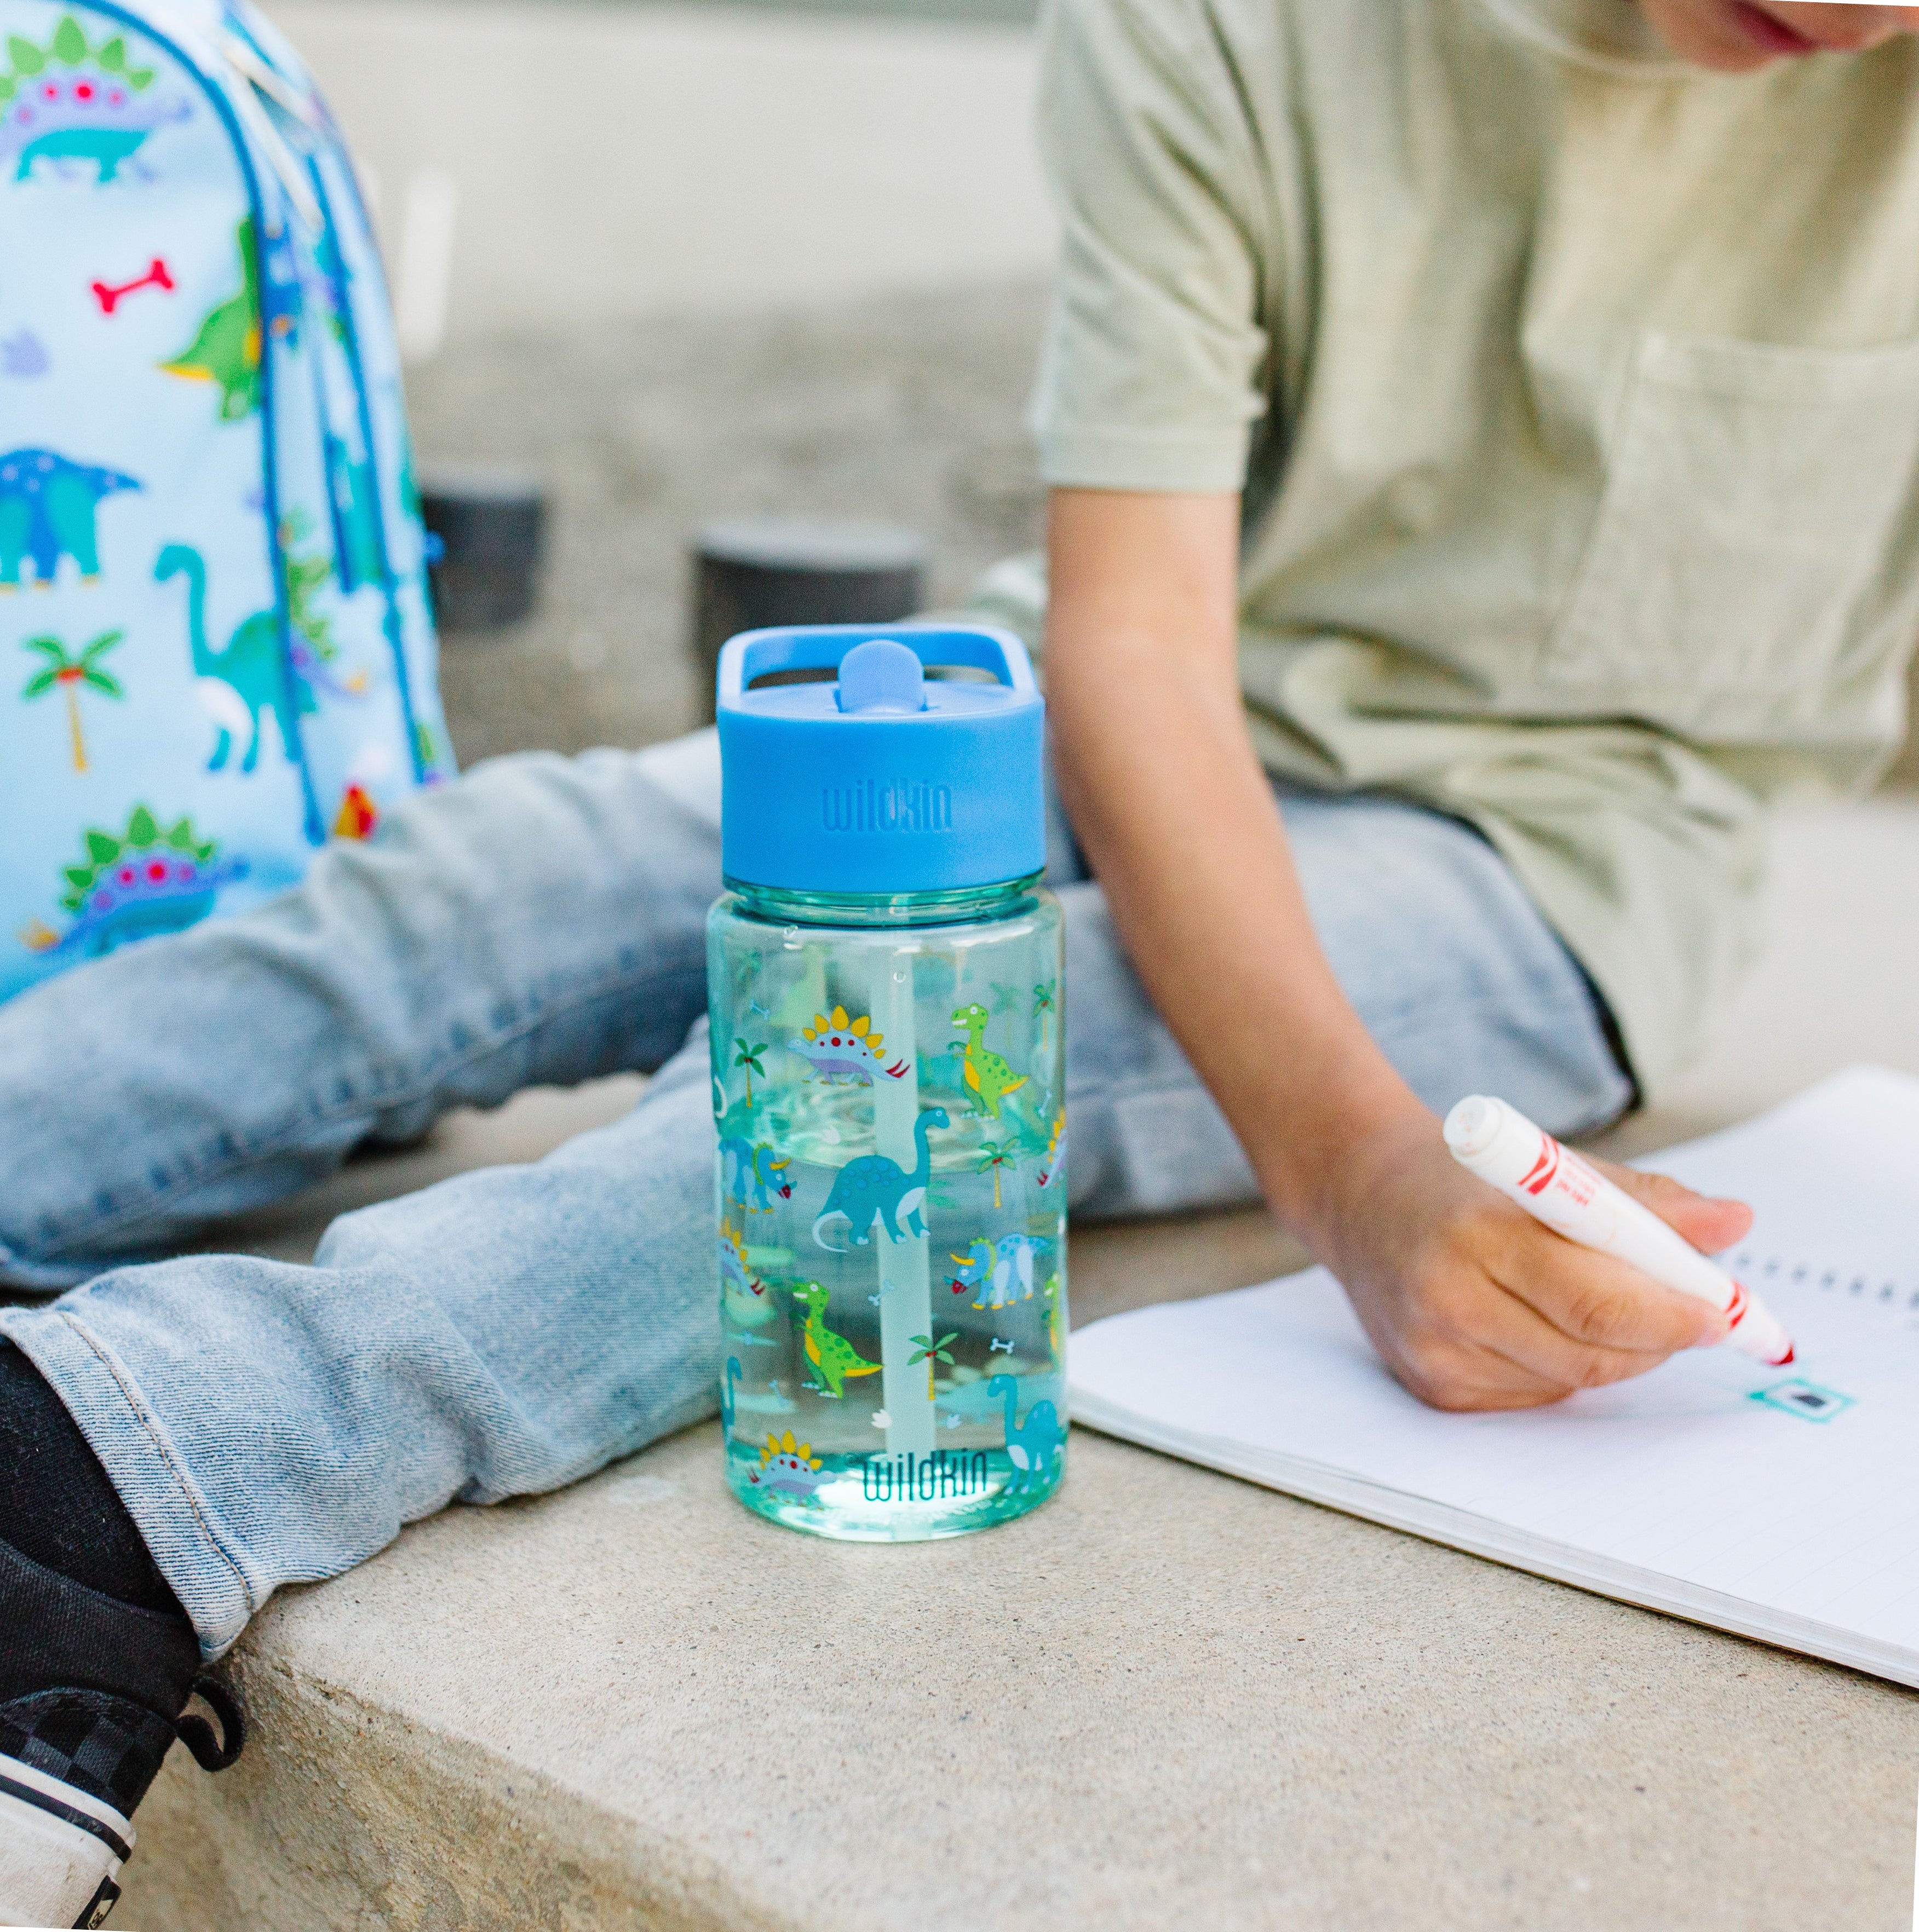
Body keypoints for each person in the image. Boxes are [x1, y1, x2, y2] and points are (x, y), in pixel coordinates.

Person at [4, 0, 1918, 1920]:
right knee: (500, 878)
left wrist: (1367, 1160)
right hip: (1081, 708)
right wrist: (1350, 1172)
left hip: (1538, 862)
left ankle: (102, 1486)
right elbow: (1137, 637)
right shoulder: (1229, 28)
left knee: (883, 1117)